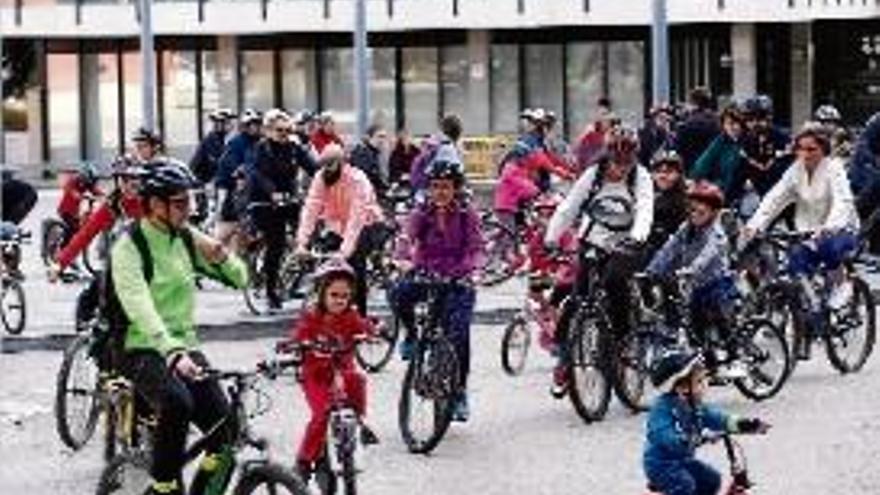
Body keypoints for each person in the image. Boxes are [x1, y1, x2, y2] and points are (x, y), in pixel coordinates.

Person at [112, 160, 248, 495]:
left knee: (227, 432)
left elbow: (241, 278)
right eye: (180, 202)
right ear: (155, 204)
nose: (189, 209)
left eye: (190, 200)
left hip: (183, 347)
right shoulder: (130, 246)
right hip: (140, 346)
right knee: (177, 403)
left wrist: (220, 255)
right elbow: (139, 305)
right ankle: (163, 485)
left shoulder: (184, 239)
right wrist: (170, 349)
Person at [544, 125, 654, 396]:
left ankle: (621, 342)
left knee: (616, 282)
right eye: (616, 162)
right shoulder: (593, 175)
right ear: (608, 157)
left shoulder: (640, 177)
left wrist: (638, 237)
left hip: (626, 243)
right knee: (578, 295)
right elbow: (569, 207)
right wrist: (551, 238)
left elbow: (645, 208)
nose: (621, 168)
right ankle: (563, 359)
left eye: (626, 162)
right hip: (593, 240)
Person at [390, 158, 483, 421]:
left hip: (458, 280)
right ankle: (410, 335)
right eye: (434, 186)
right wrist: (402, 259)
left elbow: (476, 248)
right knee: (398, 293)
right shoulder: (422, 212)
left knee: (459, 337)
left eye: (445, 186)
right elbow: (407, 238)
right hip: (427, 274)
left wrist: (472, 270)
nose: (440, 192)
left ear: (456, 188)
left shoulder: (467, 214)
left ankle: (459, 393)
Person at [282, 259, 379, 481]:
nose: (340, 301)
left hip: (343, 370)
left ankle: (358, 422)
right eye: (334, 295)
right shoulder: (312, 316)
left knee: (357, 379)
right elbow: (299, 333)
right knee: (322, 413)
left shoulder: (350, 315)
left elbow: (363, 326)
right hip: (316, 375)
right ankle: (304, 461)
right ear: (322, 293)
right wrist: (294, 343)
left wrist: (374, 332)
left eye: (344, 296)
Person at [744, 126, 859, 311]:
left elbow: (843, 201)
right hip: (808, 231)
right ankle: (812, 307)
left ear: (824, 149)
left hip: (841, 228)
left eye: (812, 149)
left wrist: (830, 226)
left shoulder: (833, 168)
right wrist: (755, 225)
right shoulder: (794, 171)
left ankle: (842, 283)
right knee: (795, 262)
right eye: (801, 148)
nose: (805, 154)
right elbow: (775, 198)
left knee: (829, 247)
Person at [646, 181, 741, 376]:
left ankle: (736, 357)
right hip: (695, 284)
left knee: (718, 315)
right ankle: (711, 363)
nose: (695, 214)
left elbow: (709, 253)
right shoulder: (686, 228)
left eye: (701, 211)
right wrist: (651, 270)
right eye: (692, 210)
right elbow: (669, 249)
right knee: (695, 324)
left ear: (714, 212)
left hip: (717, 281)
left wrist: (692, 269)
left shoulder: (716, 233)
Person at [644, 351, 770, 495]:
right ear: (682, 388)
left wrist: (745, 424)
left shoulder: (696, 406)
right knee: (685, 486)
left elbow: (717, 418)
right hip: (661, 465)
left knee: (712, 480)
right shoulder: (662, 408)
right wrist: (686, 439)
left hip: (683, 460)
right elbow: (661, 433)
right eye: (699, 381)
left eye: (705, 379)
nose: (706, 384)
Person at [295, 144, 386, 315]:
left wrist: (345, 251)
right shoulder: (321, 177)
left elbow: (356, 218)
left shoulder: (357, 180)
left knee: (355, 266)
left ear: (342, 163)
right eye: (323, 165)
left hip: (366, 224)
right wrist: (302, 242)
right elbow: (311, 208)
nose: (326, 170)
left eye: (331, 165)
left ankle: (360, 317)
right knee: (326, 261)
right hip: (336, 226)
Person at [49, 165, 145, 328]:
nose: (129, 186)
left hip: (149, 263)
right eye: (124, 180)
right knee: (99, 289)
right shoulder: (112, 206)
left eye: (134, 181)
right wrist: (60, 263)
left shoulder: (151, 204)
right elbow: (85, 235)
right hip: (121, 263)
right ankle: (89, 330)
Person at [249, 109, 315, 310]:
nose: (284, 134)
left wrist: (329, 178)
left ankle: (296, 275)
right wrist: (272, 193)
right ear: (268, 130)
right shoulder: (262, 148)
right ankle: (270, 290)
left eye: (288, 130)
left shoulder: (294, 148)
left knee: (306, 232)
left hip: (289, 198)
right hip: (264, 201)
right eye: (279, 130)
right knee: (275, 244)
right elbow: (257, 174)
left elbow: (312, 167)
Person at [214, 108, 262, 252]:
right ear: (245, 126)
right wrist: (240, 173)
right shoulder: (236, 142)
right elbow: (230, 165)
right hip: (229, 188)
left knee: (242, 233)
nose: (256, 128)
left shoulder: (261, 143)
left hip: (250, 190)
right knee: (224, 228)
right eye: (252, 124)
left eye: (258, 124)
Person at [690, 105, 749, 206]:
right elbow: (699, 168)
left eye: (738, 123)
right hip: (722, 196)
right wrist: (711, 184)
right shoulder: (720, 141)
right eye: (729, 123)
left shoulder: (749, 140)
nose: (734, 127)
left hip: (744, 194)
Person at [740, 95, 791, 196]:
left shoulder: (782, 139)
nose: (755, 123)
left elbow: (787, 168)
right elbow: (741, 169)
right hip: (755, 194)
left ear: (769, 118)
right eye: (750, 119)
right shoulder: (746, 141)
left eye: (759, 118)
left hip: (780, 194)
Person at [410, 114, 464, 198]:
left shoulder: (432, 143)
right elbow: (454, 174)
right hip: (437, 197)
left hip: (422, 193)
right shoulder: (447, 148)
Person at [646, 149, 689, 254]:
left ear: (679, 174)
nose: (663, 176)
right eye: (658, 171)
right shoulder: (643, 195)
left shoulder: (688, 198)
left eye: (669, 171)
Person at [56, 162, 103, 252]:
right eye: (90, 179)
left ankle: (74, 248)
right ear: (84, 176)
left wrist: (105, 196)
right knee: (72, 228)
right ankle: (63, 249)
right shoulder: (73, 180)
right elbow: (68, 188)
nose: (91, 182)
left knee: (79, 227)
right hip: (65, 210)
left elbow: (96, 191)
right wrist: (76, 194)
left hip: (75, 212)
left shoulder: (86, 184)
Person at [675, 87, 720, 173]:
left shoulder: (686, 124)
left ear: (693, 103)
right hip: (714, 171)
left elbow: (679, 151)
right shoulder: (718, 122)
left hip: (692, 170)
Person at [189, 108, 235, 185]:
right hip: (211, 185)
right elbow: (194, 166)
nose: (231, 125)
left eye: (230, 122)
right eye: (227, 122)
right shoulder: (208, 142)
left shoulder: (231, 141)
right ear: (218, 124)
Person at [350, 123, 390, 198]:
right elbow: (368, 177)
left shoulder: (375, 153)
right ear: (369, 137)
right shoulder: (362, 153)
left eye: (384, 137)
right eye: (379, 136)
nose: (382, 140)